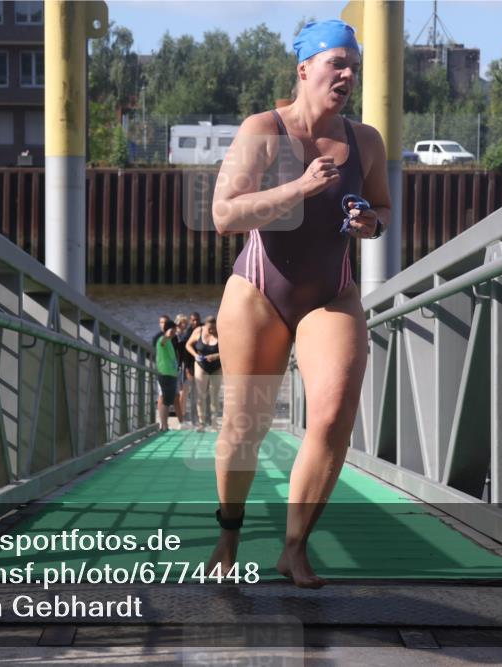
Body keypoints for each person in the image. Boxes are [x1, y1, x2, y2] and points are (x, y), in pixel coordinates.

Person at [209, 19, 389, 588]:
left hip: (330, 295)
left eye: (353, 66)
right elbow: (223, 215)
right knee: (245, 426)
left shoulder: (365, 141)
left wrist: (368, 223)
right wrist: (299, 188)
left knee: (333, 416)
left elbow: (381, 211)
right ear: (304, 68)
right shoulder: (263, 129)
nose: (347, 74)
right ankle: (229, 535)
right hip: (259, 291)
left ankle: (294, 548)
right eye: (337, 63)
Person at [186, 314, 222, 431]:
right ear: (205, 325)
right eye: (209, 328)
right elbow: (188, 345)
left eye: (213, 328)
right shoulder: (198, 331)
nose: (211, 331)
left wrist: (216, 356)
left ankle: (214, 422)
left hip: (217, 366)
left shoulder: (221, 331)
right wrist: (195, 355)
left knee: (214, 395)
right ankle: (201, 423)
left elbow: (229, 349)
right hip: (201, 365)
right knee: (201, 395)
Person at [155, 320, 182, 431]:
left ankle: (164, 425)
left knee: (168, 399)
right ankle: (164, 426)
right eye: (174, 329)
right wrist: (168, 333)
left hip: (171, 374)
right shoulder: (163, 339)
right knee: (166, 400)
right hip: (165, 373)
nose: (175, 332)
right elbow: (162, 342)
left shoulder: (170, 342)